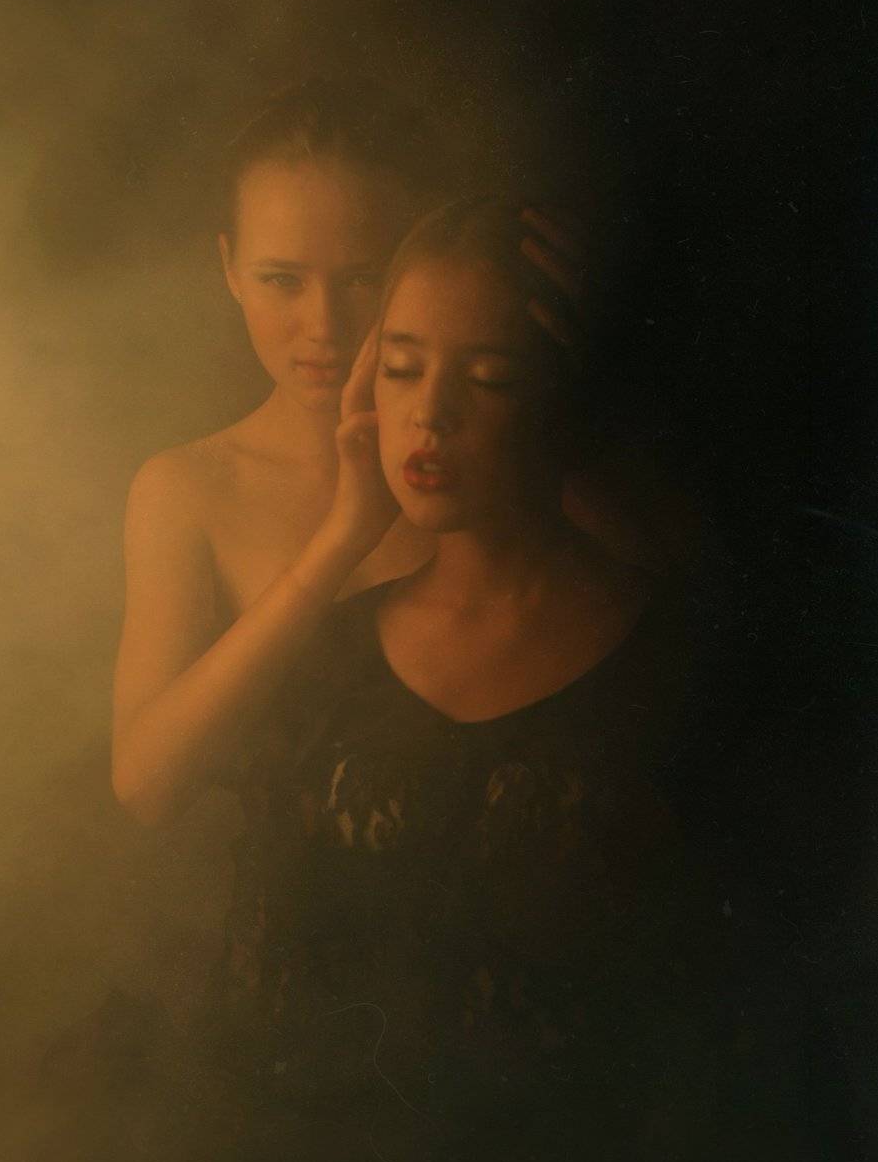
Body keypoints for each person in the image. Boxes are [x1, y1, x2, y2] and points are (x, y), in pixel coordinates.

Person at [193, 198, 859, 1162]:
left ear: (565, 396)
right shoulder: (328, 661)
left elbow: (747, 1039)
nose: (430, 414)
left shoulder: (682, 661)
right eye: (400, 369)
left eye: (490, 378)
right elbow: (259, 997)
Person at [112, 79, 696, 831]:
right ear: (228, 268)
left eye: (363, 278)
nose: (323, 325)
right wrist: (342, 537)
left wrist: (581, 381)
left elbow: (683, 646)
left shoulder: (502, 464)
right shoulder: (188, 487)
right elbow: (147, 786)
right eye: (281, 280)